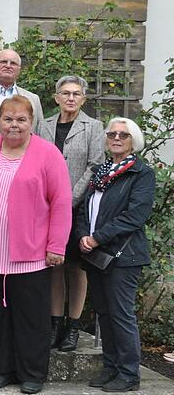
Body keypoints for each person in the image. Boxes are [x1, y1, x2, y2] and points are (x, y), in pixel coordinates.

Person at [0, 95, 72, 394]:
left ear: (31, 122)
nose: (14, 125)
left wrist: (56, 246)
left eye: (21, 119)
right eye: (8, 119)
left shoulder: (48, 154)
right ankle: (2, 369)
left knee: (31, 318)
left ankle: (32, 373)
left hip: (30, 253)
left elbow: (61, 203)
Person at [76, 117, 155, 392]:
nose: (117, 138)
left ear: (134, 140)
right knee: (104, 314)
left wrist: (97, 238)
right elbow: (86, 209)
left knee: (121, 315)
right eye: (112, 134)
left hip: (124, 256)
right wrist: (83, 235)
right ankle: (111, 368)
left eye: (124, 134)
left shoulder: (141, 173)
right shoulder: (102, 171)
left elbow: (135, 216)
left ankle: (129, 374)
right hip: (97, 254)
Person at [38, 75, 104, 352]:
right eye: (65, 93)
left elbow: (94, 166)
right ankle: (54, 322)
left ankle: (73, 326)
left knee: (76, 268)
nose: (71, 98)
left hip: (78, 209)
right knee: (54, 265)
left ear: (83, 99)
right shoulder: (44, 125)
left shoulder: (94, 126)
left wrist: (69, 198)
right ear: (56, 97)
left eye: (76, 94)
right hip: (46, 206)